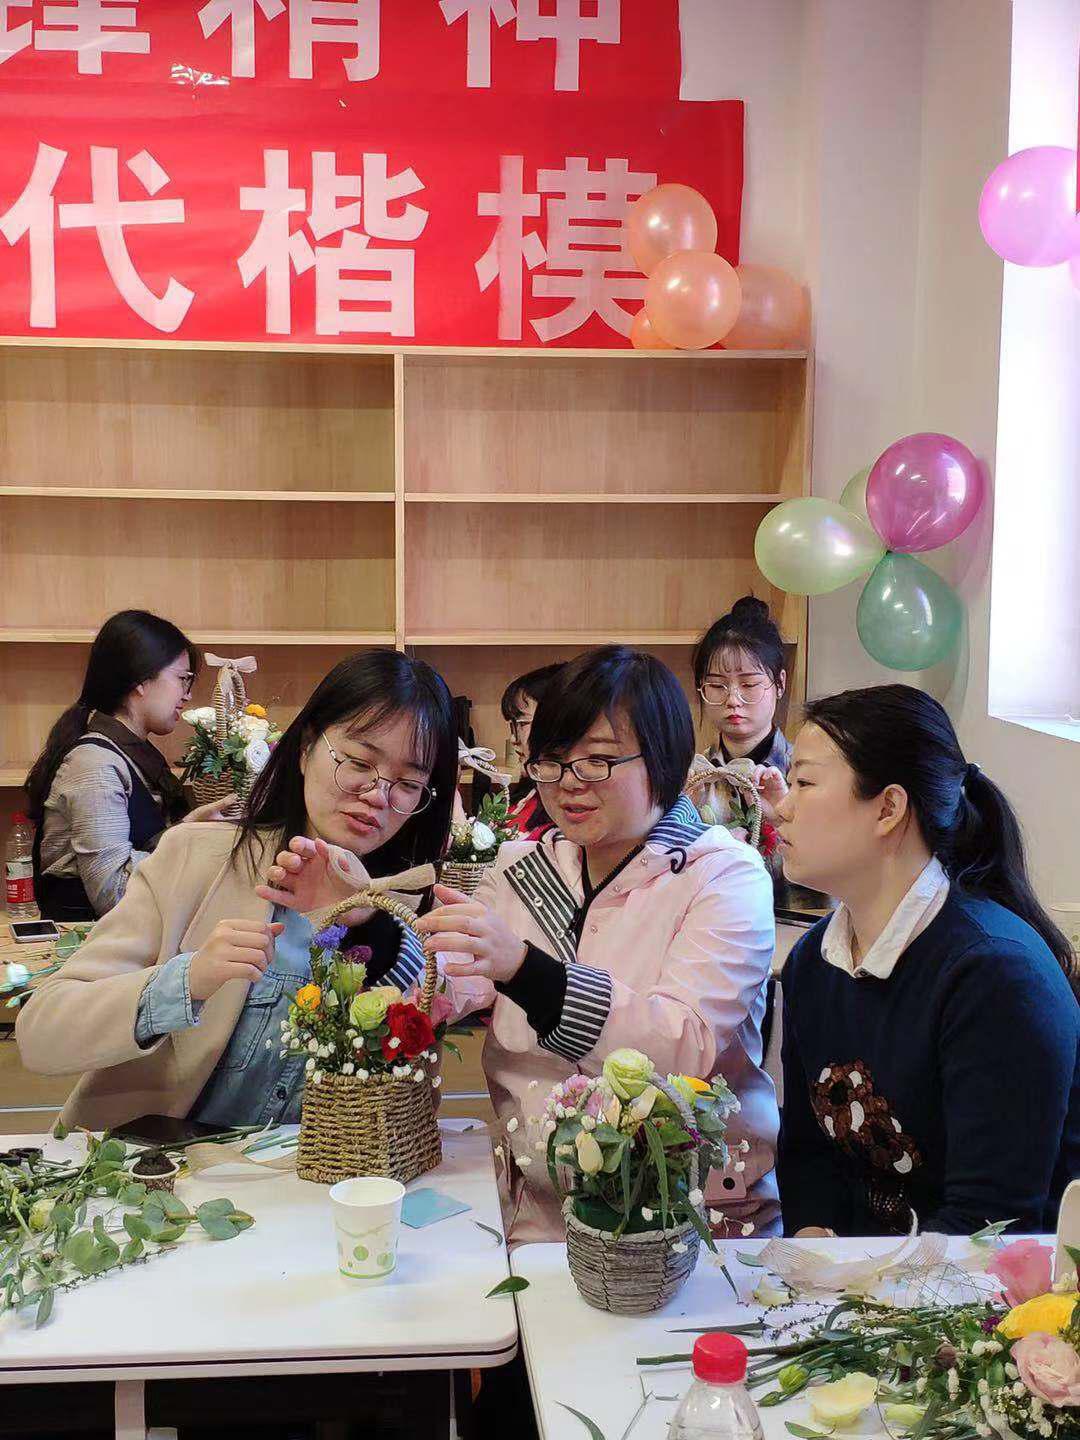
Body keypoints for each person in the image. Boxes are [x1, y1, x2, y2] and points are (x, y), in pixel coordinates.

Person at [17, 650, 484, 1131]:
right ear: (306, 747)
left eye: (408, 783)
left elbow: (402, 1107)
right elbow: (42, 1032)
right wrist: (187, 982)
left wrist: (370, 925)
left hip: (316, 1175)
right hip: (155, 1165)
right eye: (358, 761)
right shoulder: (198, 859)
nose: (377, 795)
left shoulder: (413, 917)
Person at [415, 645, 779, 1243]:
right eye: (552, 761)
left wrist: (525, 970)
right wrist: (366, 924)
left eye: (598, 761)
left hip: (685, 1218)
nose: (568, 785)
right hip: (537, 1212)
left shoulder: (723, 876)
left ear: (663, 759)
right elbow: (445, 987)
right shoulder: (522, 865)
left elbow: (685, 1048)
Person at [775, 684, 1079, 1237]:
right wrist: (811, 1241)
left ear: (888, 808)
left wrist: (855, 1275)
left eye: (804, 782)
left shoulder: (995, 975)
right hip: (862, 1278)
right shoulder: (811, 965)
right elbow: (807, 1156)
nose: (782, 807)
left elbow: (989, 1225)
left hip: (991, 1283)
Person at [25, 610, 232, 922]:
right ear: (140, 680)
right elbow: (113, 892)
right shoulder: (94, 765)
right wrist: (185, 839)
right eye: (182, 679)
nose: (187, 695)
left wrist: (190, 830)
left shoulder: (129, 753)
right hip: (89, 944)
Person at [690, 596, 791, 812]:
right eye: (717, 685)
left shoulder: (803, 775)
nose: (733, 700)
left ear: (780, 684)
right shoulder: (693, 776)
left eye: (749, 684)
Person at [499, 662, 563, 839]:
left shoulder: (567, 820)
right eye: (512, 726)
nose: (513, 739)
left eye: (521, 724)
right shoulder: (528, 794)